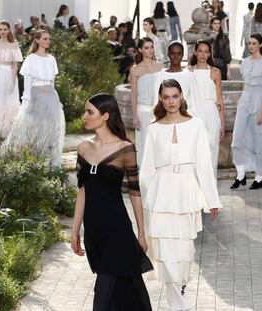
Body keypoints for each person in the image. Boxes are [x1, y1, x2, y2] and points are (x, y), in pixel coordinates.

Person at [140, 79, 222, 311]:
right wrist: (146, 205)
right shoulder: (154, 129)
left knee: (184, 250)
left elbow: (204, 166)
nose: (171, 101)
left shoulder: (196, 124)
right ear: (160, 99)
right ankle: (177, 303)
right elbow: (146, 169)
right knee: (165, 250)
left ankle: (180, 291)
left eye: (175, 96)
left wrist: (211, 199)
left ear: (182, 96)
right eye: (166, 97)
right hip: (160, 194)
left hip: (186, 192)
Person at [71, 93, 153, 311]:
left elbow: (135, 193)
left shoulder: (125, 148)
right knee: (128, 288)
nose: (85, 116)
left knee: (104, 292)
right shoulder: (83, 148)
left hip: (117, 229)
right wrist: (75, 229)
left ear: (105, 116)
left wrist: (141, 233)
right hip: (95, 231)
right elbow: (82, 191)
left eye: (90, 112)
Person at [3, 30, 65, 167]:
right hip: (36, 95)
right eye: (44, 38)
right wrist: (27, 99)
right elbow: (27, 81)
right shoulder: (31, 59)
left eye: (49, 39)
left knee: (51, 127)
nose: (47, 41)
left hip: (50, 95)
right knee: (34, 126)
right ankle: (32, 157)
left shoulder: (51, 59)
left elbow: (52, 82)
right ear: (37, 40)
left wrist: (55, 98)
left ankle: (48, 159)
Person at [231, 33, 262, 190]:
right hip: (245, 100)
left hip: (259, 101)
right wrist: (242, 102)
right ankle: (240, 174)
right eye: (249, 43)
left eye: (254, 43)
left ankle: (259, 177)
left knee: (259, 142)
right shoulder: (244, 62)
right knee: (236, 139)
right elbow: (244, 85)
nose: (251, 46)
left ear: (260, 45)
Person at [186, 40, 225, 177]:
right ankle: (195, 185)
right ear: (195, 52)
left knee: (212, 148)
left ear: (209, 54)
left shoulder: (215, 72)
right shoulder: (189, 71)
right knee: (195, 150)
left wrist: (222, 123)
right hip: (194, 113)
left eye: (206, 51)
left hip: (211, 112)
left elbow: (219, 98)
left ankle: (210, 185)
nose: (203, 54)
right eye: (200, 51)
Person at [129, 37, 164, 165]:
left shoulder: (160, 67)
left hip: (159, 111)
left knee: (159, 145)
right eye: (146, 48)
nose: (150, 50)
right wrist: (134, 117)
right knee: (144, 145)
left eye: (151, 47)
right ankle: (144, 178)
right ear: (140, 50)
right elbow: (133, 95)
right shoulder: (135, 70)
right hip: (143, 112)